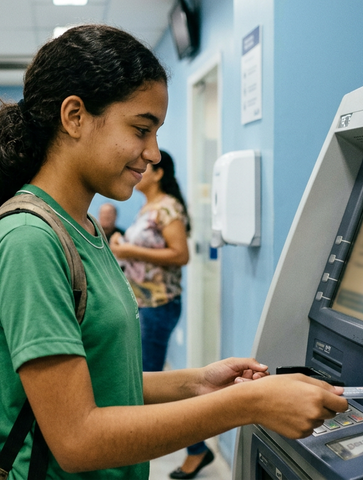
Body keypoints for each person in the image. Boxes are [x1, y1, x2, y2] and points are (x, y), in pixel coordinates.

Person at [0, 24, 348, 479]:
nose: (154, 154)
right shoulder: (30, 240)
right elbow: (77, 439)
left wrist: (197, 382)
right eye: (142, 129)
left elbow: (101, 384)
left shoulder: (81, 228)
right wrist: (246, 404)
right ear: (74, 116)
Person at [109, 149, 210, 479]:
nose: (137, 167)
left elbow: (180, 254)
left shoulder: (167, 206)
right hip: (142, 305)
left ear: (160, 172)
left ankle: (195, 449)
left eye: (146, 165)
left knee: (147, 386)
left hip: (159, 305)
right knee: (145, 385)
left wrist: (127, 249)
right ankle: (197, 448)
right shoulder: (148, 208)